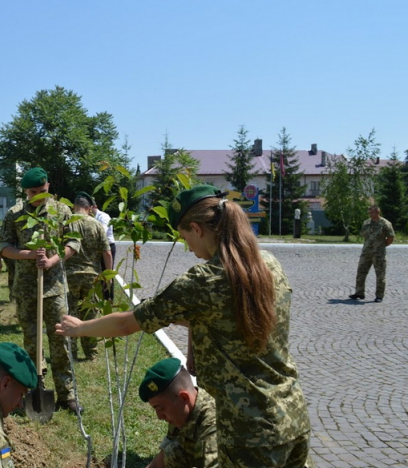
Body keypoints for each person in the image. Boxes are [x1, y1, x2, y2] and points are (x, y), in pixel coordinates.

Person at [57, 185, 315, 467]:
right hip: (294, 418)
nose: (189, 248)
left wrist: (80, 327)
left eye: (185, 237)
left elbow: (128, 324)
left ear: (197, 227)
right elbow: (221, 315)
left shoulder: (204, 280)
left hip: (251, 433)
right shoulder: (267, 264)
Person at [0, 167, 82, 414]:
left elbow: (73, 243)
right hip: (26, 289)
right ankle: (34, 389)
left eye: (44, 192)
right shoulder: (15, 214)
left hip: (54, 288)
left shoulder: (61, 211)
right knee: (32, 343)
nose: (39, 197)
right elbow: (3, 246)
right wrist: (28, 255)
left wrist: (52, 260)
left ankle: (67, 395)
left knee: (61, 342)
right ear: (25, 191)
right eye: (34, 192)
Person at [139, 358, 218, 468]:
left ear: (184, 398)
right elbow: (160, 461)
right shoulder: (181, 410)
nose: (159, 416)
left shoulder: (213, 425)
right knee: (174, 453)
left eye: (161, 408)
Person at [64, 195, 112, 360]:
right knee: (91, 315)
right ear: (90, 208)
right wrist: (108, 276)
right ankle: (91, 353)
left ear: (73, 207)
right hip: (92, 276)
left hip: (69, 275)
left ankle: (72, 352)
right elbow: (107, 252)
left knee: (70, 313)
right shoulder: (97, 224)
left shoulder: (66, 222)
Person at [349, 205, 394, 303]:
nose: (370, 214)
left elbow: (390, 238)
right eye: (369, 212)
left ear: (378, 212)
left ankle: (379, 295)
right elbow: (364, 236)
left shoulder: (385, 223)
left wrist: (381, 246)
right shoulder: (366, 222)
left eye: (372, 212)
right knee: (361, 273)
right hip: (366, 252)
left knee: (380, 275)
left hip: (379, 254)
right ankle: (359, 293)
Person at [79, 191, 116, 299]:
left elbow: (101, 233)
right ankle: (98, 297)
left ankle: (109, 298)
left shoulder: (103, 216)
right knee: (97, 273)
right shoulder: (90, 217)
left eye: (91, 208)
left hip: (107, 247)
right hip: (96, 249)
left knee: (107, 274)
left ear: (94, 206)